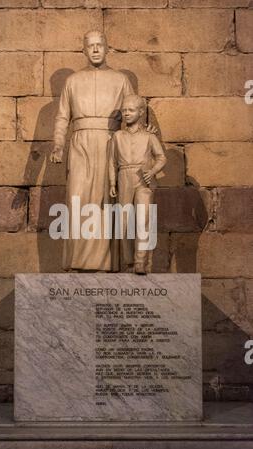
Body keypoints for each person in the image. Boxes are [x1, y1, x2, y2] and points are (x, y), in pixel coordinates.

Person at [50, 30, 135, 271]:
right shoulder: (73, 81)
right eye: (90, 46)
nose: (96, 49)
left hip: (111, 143)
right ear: (84, 50)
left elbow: (134, 111)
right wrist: (58, 144)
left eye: (100, 45)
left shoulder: (120, 80)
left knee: (108, 201)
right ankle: (76, 262)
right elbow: (62, 116)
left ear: (107, 48)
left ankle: (108, 264)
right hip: (80, 145)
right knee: (77, 199)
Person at [109, 95, 167, 274]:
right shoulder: (117, 136)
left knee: (143, 219)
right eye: (124, 110)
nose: (126, 113)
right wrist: (112, 182)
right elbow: (111, 161)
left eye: (131, 110)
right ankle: (128, 262)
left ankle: (140, 261)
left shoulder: (149, 136)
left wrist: (153, 171)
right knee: (124, 221)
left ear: (141, 112)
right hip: (124, 176)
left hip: (143, 179)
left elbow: (162, 157)